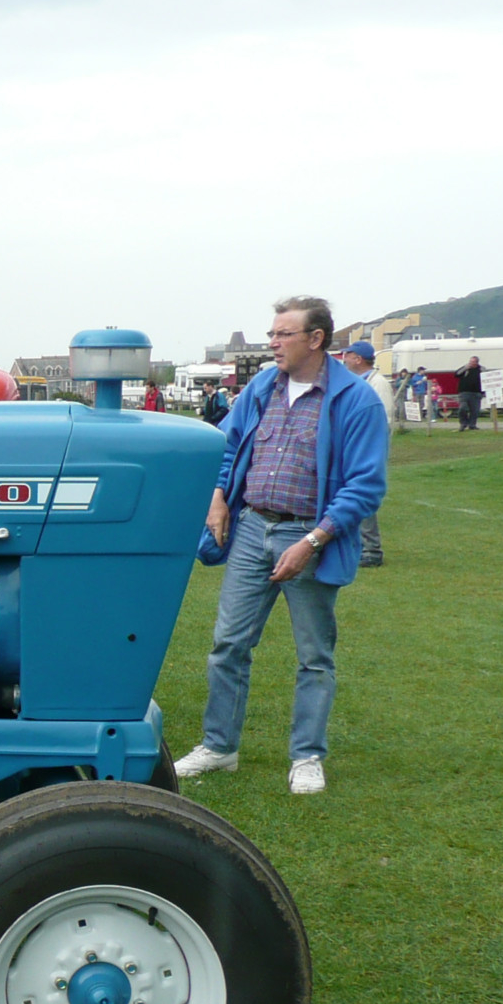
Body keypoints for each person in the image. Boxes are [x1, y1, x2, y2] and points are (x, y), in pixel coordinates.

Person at [173, 296, 388, 795]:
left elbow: (366, 485)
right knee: (228, 644)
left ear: (316, 340)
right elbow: (226, 445)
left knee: (314, 654)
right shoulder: (261, 387)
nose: (272, 343)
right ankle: (219, 746)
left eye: (282, 334)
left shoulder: (356, 400)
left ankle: (308, 756)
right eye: (271, 333)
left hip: (307, 535)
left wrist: (313, 541)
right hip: (251, 529)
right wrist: (219, 496)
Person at [338, 340, 391, 567]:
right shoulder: (356, 382)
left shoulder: (378, 383)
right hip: (350, 447)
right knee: (345, 494)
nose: (344, 359)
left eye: (347, 355)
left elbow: (383, 420)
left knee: (361, 494)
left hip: (365, 449)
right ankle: (354, 545)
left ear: (358, 358)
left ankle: (371, 550)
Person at [456, 356, 485, 431]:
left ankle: (472, 425)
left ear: (476, 362)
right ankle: (463, 423)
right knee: (462, 408)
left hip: (476, 393)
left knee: (475, 410)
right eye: (470, 361)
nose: (471, 363)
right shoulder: (465, 369)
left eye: (473, 362)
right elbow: (456, 374)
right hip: (464, 393)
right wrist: (466, 368)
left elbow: (486, 379)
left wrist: (483, 392)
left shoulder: (481, 369)